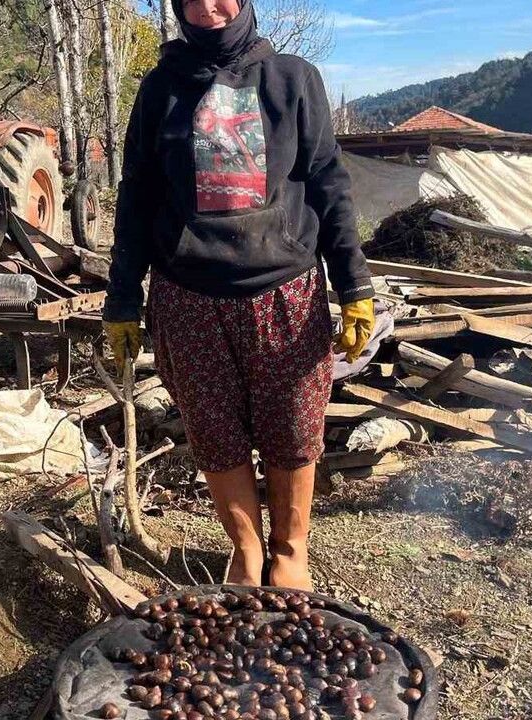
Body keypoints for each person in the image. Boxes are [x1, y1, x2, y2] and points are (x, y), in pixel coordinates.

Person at [103, 0, 375, 591]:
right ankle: (247, 550)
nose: (208, 8)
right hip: (188, 296)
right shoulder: (161, 89)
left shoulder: (292, 79)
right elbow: (138, 199)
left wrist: (354, 283)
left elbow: (329, 182)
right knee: (214, 429)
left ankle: (290, 550)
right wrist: (122, 299)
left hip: (284, 291)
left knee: (294, 427)